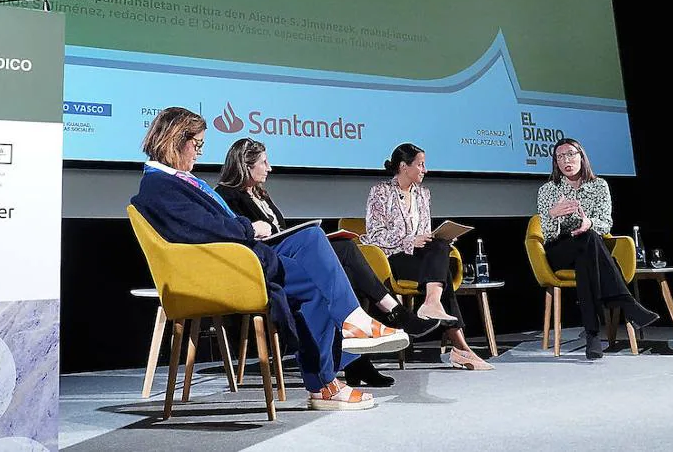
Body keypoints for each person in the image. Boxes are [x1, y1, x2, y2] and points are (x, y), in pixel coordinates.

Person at [130, 107, 410, 411]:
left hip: (239, 255)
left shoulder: (174, 180)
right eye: (197, 144)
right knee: (312, 287)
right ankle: (327, 378)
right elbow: (200, 229)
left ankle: (350, 328)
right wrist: (249, 227)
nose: (198, 152)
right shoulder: (159, 185)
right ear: (176, 140)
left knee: (311, 237)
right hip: (230, 265)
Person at [216, 137, 440, 388]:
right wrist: (255, 229)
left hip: (287, 253)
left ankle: (359, 356)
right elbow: (236, 238)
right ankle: (390, 317)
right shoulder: (226, 196)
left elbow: (280, 229)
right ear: (246, 165)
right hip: (265, 265)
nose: (269, 168)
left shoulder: (260, 195)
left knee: (344, 255)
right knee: (336, 259)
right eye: (264, 162)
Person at [364, 143, 493, 370]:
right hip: (393, 258)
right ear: (404, 166)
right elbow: (374, 234)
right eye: (421, 164)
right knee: (441, 274)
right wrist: (409, 241)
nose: (425, 170)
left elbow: (425, 231)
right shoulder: (380, 191)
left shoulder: (424, 194)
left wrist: (436, 238)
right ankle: (460, 347)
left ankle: (434, 308)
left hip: (420, 258)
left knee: (440, 245)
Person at [536, 138, 658, 359]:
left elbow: (605, 223)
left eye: (571, 154)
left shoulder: (599, 185)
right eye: (560, 157)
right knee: (587, 244)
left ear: (582, 157)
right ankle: (626, 303)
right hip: (560, 248)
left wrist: (589, 223)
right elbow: (547, 233)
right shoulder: (548, 190)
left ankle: (592, 335)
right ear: (555, 162)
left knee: (588, 251)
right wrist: (554, 215)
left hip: (589, 246)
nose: (566, 160)